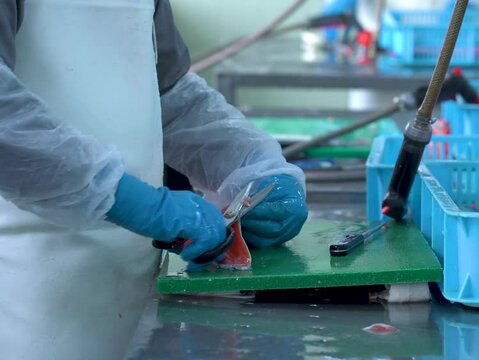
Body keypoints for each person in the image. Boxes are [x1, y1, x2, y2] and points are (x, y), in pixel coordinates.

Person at [0, 1, 308, 359]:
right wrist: (133, 202)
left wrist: (252, 163)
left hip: (134, 277)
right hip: (31, 281)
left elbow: (170, 96)